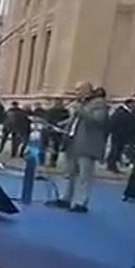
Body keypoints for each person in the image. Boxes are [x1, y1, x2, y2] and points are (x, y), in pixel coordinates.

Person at [52, 83, 109, 213]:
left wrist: (80, 111)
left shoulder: (99, 103)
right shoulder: (81, 103)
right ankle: (65, 198)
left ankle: (81, 202)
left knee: (84, 175)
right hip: (72, 143)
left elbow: (99, 120)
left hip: (87, 144)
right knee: (68, 173)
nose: (76, 92)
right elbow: (74, 121)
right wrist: (59, 125)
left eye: (78, 90)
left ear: (87, 90)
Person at [107, 99, 135, 173]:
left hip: (126, 135)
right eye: (133, 104)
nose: (134, 106)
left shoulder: (133, 112)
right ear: (128, 104)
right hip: (119, 134)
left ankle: (113, 164)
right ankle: (111, 165)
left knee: (119, 150)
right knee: (115, 150)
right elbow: (113, 122)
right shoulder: (120, 112)